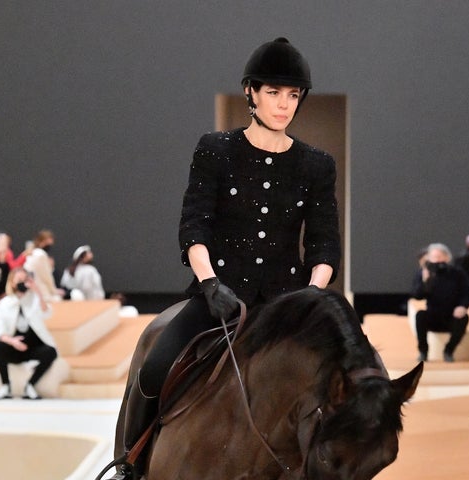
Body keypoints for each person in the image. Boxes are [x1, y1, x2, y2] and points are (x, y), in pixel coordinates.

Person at [116, 37, 341, 479]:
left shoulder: (316, 165)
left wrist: (311, 297)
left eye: (293, 95)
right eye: (274, 93)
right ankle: (131, 463)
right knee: (154, 368)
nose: (284, 105)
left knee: (339, 381)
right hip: (218, 295)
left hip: (285, 305)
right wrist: (209, 283)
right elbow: (194, 226)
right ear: (251, 93)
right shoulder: (216, 149)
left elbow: (324, 245)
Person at [0, 268, 58, 400]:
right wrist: (13, 342)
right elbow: (0, 331)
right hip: (14, 347)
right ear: (12, 283)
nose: (23, 283)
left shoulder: (35, 300)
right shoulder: (5, 303)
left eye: (25, 280)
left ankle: (30, 385)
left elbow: (47, 312)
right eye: (19, 280)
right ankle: (5, 386)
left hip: (32, 347)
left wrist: (37, 291)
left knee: (51, 352)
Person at [412, 243, 469, 362]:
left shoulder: (457, 273)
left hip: (452, 316)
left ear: (447, 257)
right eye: (433, 257)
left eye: (439, 256)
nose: (437, 260)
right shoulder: (424, 273)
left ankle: (449, 350)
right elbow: (417, 295)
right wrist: (425, 282)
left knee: (464, 318)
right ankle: (423, 351)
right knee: (420, 315)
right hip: (433, 316)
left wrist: (463, 306)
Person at [23, 229, 63, 302]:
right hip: (42, 293)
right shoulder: (40, 254)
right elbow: (46, 276)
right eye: (50, 240)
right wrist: (54, 291)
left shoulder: (33, 253)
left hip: (33, 292)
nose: (52, 243)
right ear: (44, 241)